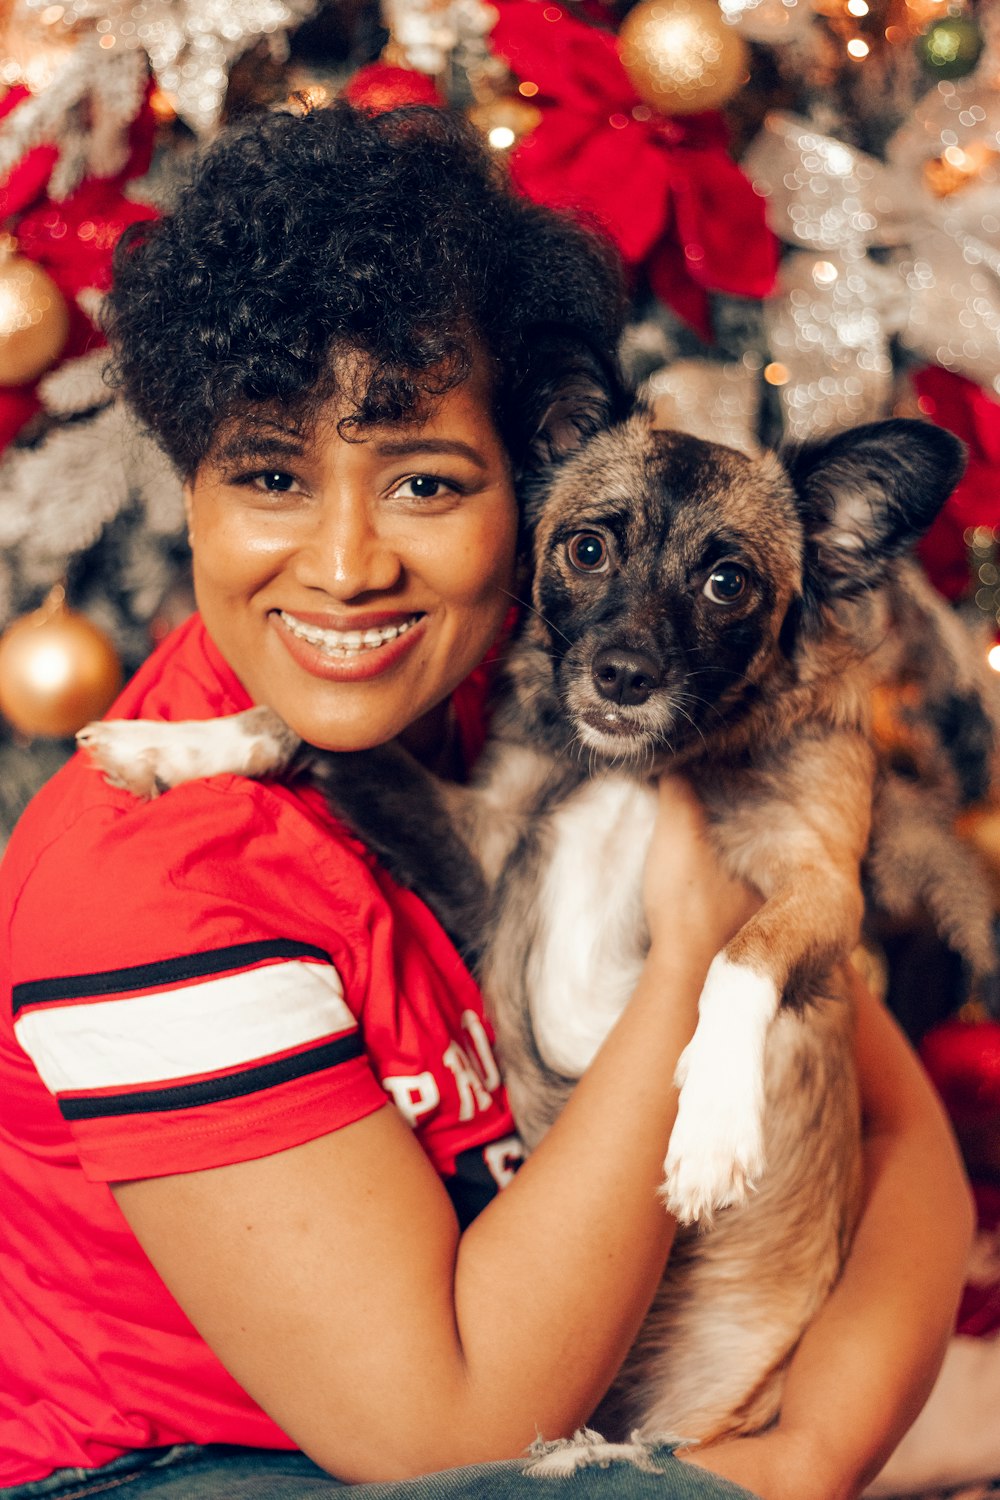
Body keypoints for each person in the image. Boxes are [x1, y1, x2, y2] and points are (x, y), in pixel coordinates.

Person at [0, 102, 974, 1500]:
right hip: (195, 1473)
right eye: (271, 474)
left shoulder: (519, 709)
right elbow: (444, 1442)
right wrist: (691, 949)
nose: (345, 566)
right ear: (191, 489)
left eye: (426, 481)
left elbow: (894, 1125)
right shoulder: (157, 887)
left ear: (529, 494)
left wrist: (822, 1433)